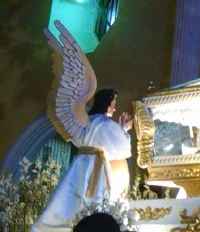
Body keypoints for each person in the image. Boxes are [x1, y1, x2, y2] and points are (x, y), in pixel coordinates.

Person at [31, 88, 134, 232]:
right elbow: (122, 148)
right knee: (93, 199)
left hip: (80, 164)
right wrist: (124, 129)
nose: (115, 107)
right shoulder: (104, 123)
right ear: (107, 103)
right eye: (113, 103)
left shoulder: (86, 121)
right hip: (96, 165)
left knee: (72, 196)